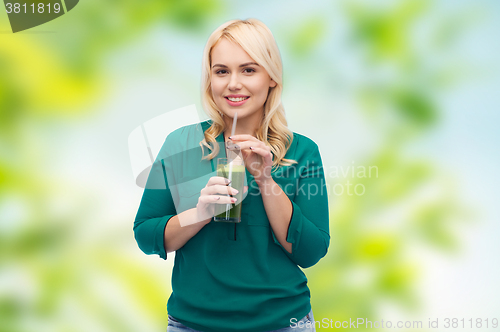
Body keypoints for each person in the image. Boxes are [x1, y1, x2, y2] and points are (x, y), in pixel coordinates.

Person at [134, 18, 330, 332]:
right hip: (193, 324)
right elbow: (146, 234)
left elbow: (311, 251)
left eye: (249, 70)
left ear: (271, 78)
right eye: (221, 71)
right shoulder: (181, 145)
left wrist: (266, 180)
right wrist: (199, 214)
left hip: (282, 323)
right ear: (209, 79)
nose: (233, 84)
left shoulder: (302, 152)